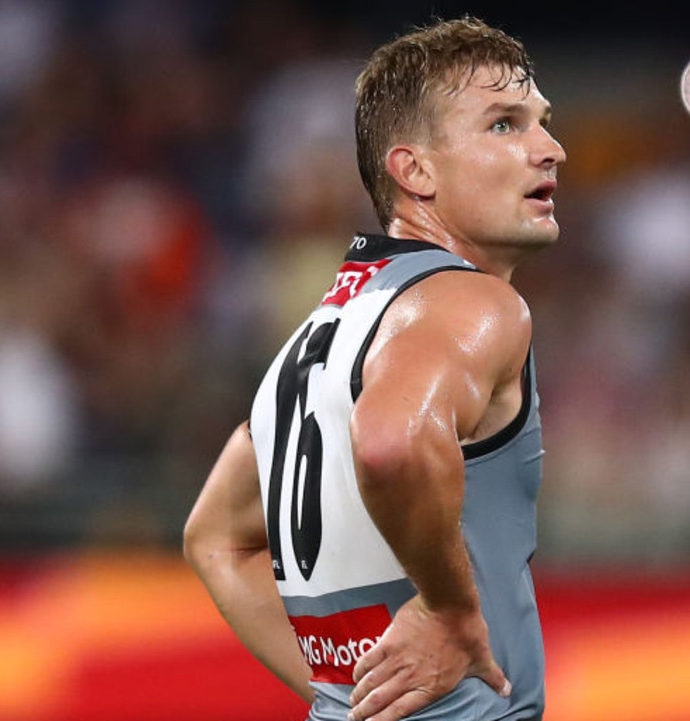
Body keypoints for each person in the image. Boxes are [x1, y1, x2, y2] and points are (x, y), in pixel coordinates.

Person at [184, 16, 565, 721]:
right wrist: (450, 612)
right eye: (505, 125)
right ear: (413, 169)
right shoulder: (473, 303)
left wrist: (355, 697)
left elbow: (214, 538)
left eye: (542, 121)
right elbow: (391, 442)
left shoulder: (318, 334)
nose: (551, 149)